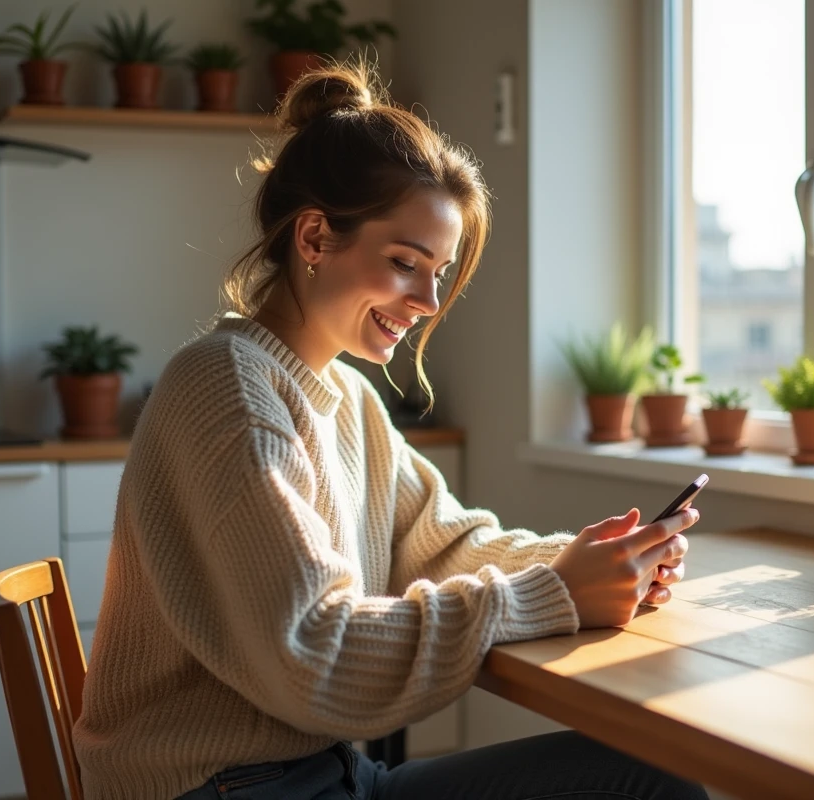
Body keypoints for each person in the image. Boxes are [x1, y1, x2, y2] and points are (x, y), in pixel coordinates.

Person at [72, 61, 708, 800]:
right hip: (227, 787)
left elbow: (440, 545)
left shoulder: (345, 397)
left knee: (650, 776)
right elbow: (316, 653)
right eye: (406, 263)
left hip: (321, 775)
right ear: (314, 237)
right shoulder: (225, 387)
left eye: (438, 273)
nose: (429, 300)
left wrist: (584, 560)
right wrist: (553, 593)